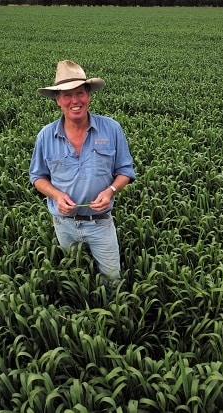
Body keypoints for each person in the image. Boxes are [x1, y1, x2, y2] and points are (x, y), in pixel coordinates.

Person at [29, 60, 136, 297]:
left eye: (80, 93)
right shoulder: (46, 136)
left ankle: (112, 323)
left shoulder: (112, 129)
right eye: (67, 95)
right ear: (57, 100)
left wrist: (110, 191)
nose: (74, 101)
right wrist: (56, 195)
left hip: (101, 223)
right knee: (74, 277)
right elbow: (37, 177)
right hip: (64, 225)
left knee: (113, 283)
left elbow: (126, 171)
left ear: (88, 95)